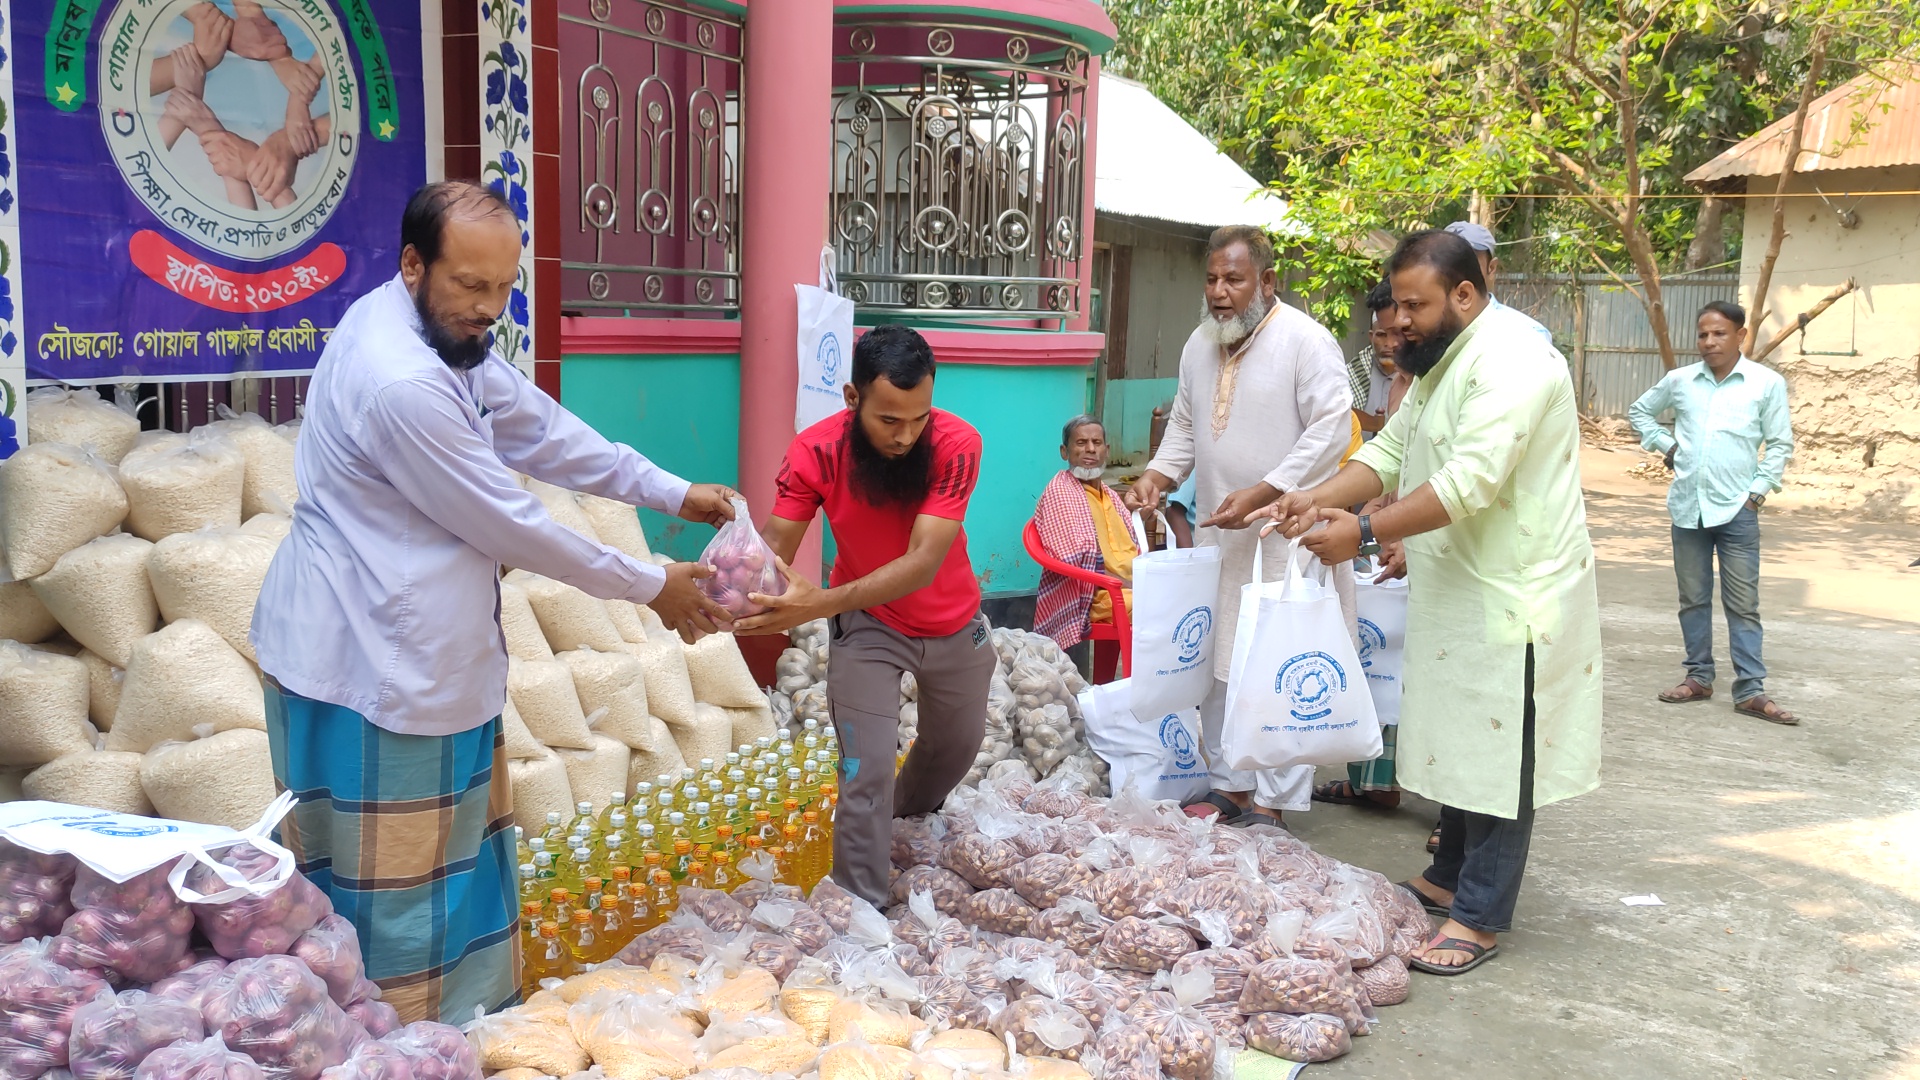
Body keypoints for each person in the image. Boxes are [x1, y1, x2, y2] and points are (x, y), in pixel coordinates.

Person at [252, 181, 738, 1022]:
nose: (488, 307)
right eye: (470, 287)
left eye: (504, 288)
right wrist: (652, 584)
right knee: (390, 904)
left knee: (457, 876)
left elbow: (540, 429)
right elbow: (511, 523)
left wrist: (669, 490)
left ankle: (467, 1039)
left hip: (421, 659)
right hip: (376, 672)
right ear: (413, 266)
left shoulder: (444, 338)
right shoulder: (400, 381)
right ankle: (394, 1051)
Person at [1259, 229, 1602, 976]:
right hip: (1461, 586)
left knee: (1504, 757)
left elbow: (1469, 482)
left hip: (1518, 592)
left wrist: (1364, 530)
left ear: (1466, 295)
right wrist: (1315, 498)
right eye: (1398, 305)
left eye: (1415, 305)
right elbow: (1388, 453)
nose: (1401, 321)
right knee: (1460, 736)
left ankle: (1479, 916)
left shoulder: (1513, 360)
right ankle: (1446, 877)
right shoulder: (1443, 362)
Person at [733, 325, 996, 907]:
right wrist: (734, 590)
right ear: (853, 400)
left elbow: (924, 561)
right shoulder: (816, 451)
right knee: (865, 769)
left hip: (954, 621)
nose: (906, 435)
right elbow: (775, 545)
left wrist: (817, 603)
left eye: (918, 417)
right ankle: (860, 911)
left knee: (955, 746)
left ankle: (902, 833)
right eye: (889, 420)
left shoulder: (957, 443)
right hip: (869, 627)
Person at [1124, 224, 1356, 828]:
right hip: (1219, 538)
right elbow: (1183, 425)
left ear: (1268, 281)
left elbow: (1333, 427)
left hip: (1285, 536)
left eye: (1234, 278)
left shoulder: (1307, 341)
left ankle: (1275, 800)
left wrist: (1270, 487)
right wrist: (1159, 476)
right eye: (1212, 278)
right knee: (1220, 662)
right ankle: (1232, 786)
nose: (1220, 291)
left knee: (1277, 661)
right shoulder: (1200, 344)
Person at [1627, 300, 1796, 724]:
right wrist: (1666, 447)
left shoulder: (1765, 384)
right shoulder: (1680, 381)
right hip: (1687, 507)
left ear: (1741, 336)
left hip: (1738, 510)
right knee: (1693, 599)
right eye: (1703, 334)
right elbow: (1640, 412)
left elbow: (1779, 444)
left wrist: (1756, 493)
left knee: (1743, 604)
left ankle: (1751, 690)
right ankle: (1698, 678)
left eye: (1719, 333)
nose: (1708, 341)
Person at [1315, 280, 1411, 811]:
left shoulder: (1436, 380)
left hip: (1417, 533)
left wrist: (1384, 527)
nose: (1391, 341)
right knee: (1370, 651)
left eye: (1401, 328)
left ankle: (1445, 809)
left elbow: (1442, 481)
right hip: (1377, 524)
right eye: (1382, 333)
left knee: (1407, 667)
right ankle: (1369, 780)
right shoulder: (1387, 381)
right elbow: (1377, 461)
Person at [1032, 416, 1140, 683]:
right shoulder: (1061, 491)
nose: (1090, 449)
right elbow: (1069, 558)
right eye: (1081, 443)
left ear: (1107, 450)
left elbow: (1130, 546)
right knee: (1159, 605)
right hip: (1093, 595)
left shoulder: (1110, 494)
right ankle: (1137, 690)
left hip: (1130, 586)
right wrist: (1127, 584)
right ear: (1065, 452)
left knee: (1182, 598)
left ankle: (1159, 691)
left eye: (1097, 442)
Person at [1442, 221, 1559, 351]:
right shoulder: (1423, 332)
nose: (1456, 271)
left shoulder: (1528, 337)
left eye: (1468, 263)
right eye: (1448, 263)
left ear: (1491, 268)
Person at [1346, 281, 1399, 436]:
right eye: (1381, 335)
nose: (1388, 344)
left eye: (1395, 334)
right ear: (1371, 337)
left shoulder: (1414, 378)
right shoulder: (1352, 375)